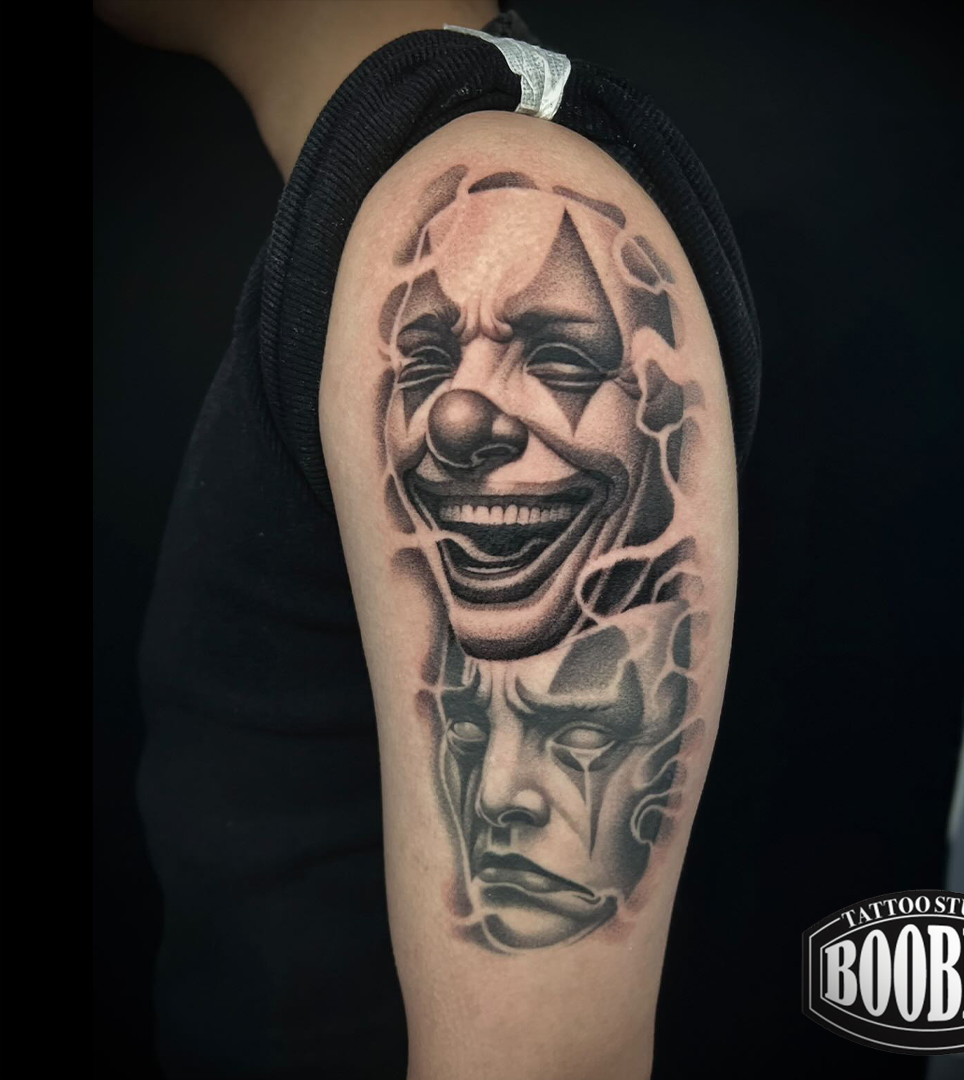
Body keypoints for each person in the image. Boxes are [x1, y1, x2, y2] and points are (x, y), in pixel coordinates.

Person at [95, 2, 760, 1076]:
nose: (456, 419)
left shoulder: (502, 198)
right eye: (428, 360)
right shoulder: (408, 199)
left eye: (557, 358)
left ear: (655, 408)